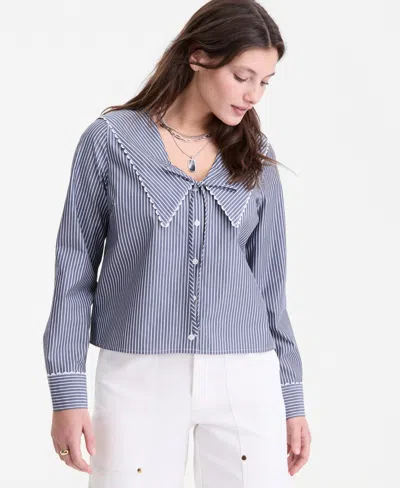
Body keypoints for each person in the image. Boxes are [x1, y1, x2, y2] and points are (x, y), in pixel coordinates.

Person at [43, 0, 312, 486]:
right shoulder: (110, 142)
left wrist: (291, 398)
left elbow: (271, 290)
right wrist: (67, 392)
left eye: (265, 82)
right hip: (137, 375)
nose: (253, 95)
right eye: (242, 76)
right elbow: (74, 274)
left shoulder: (255, 155)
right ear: (198, 56)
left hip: (245, 376)